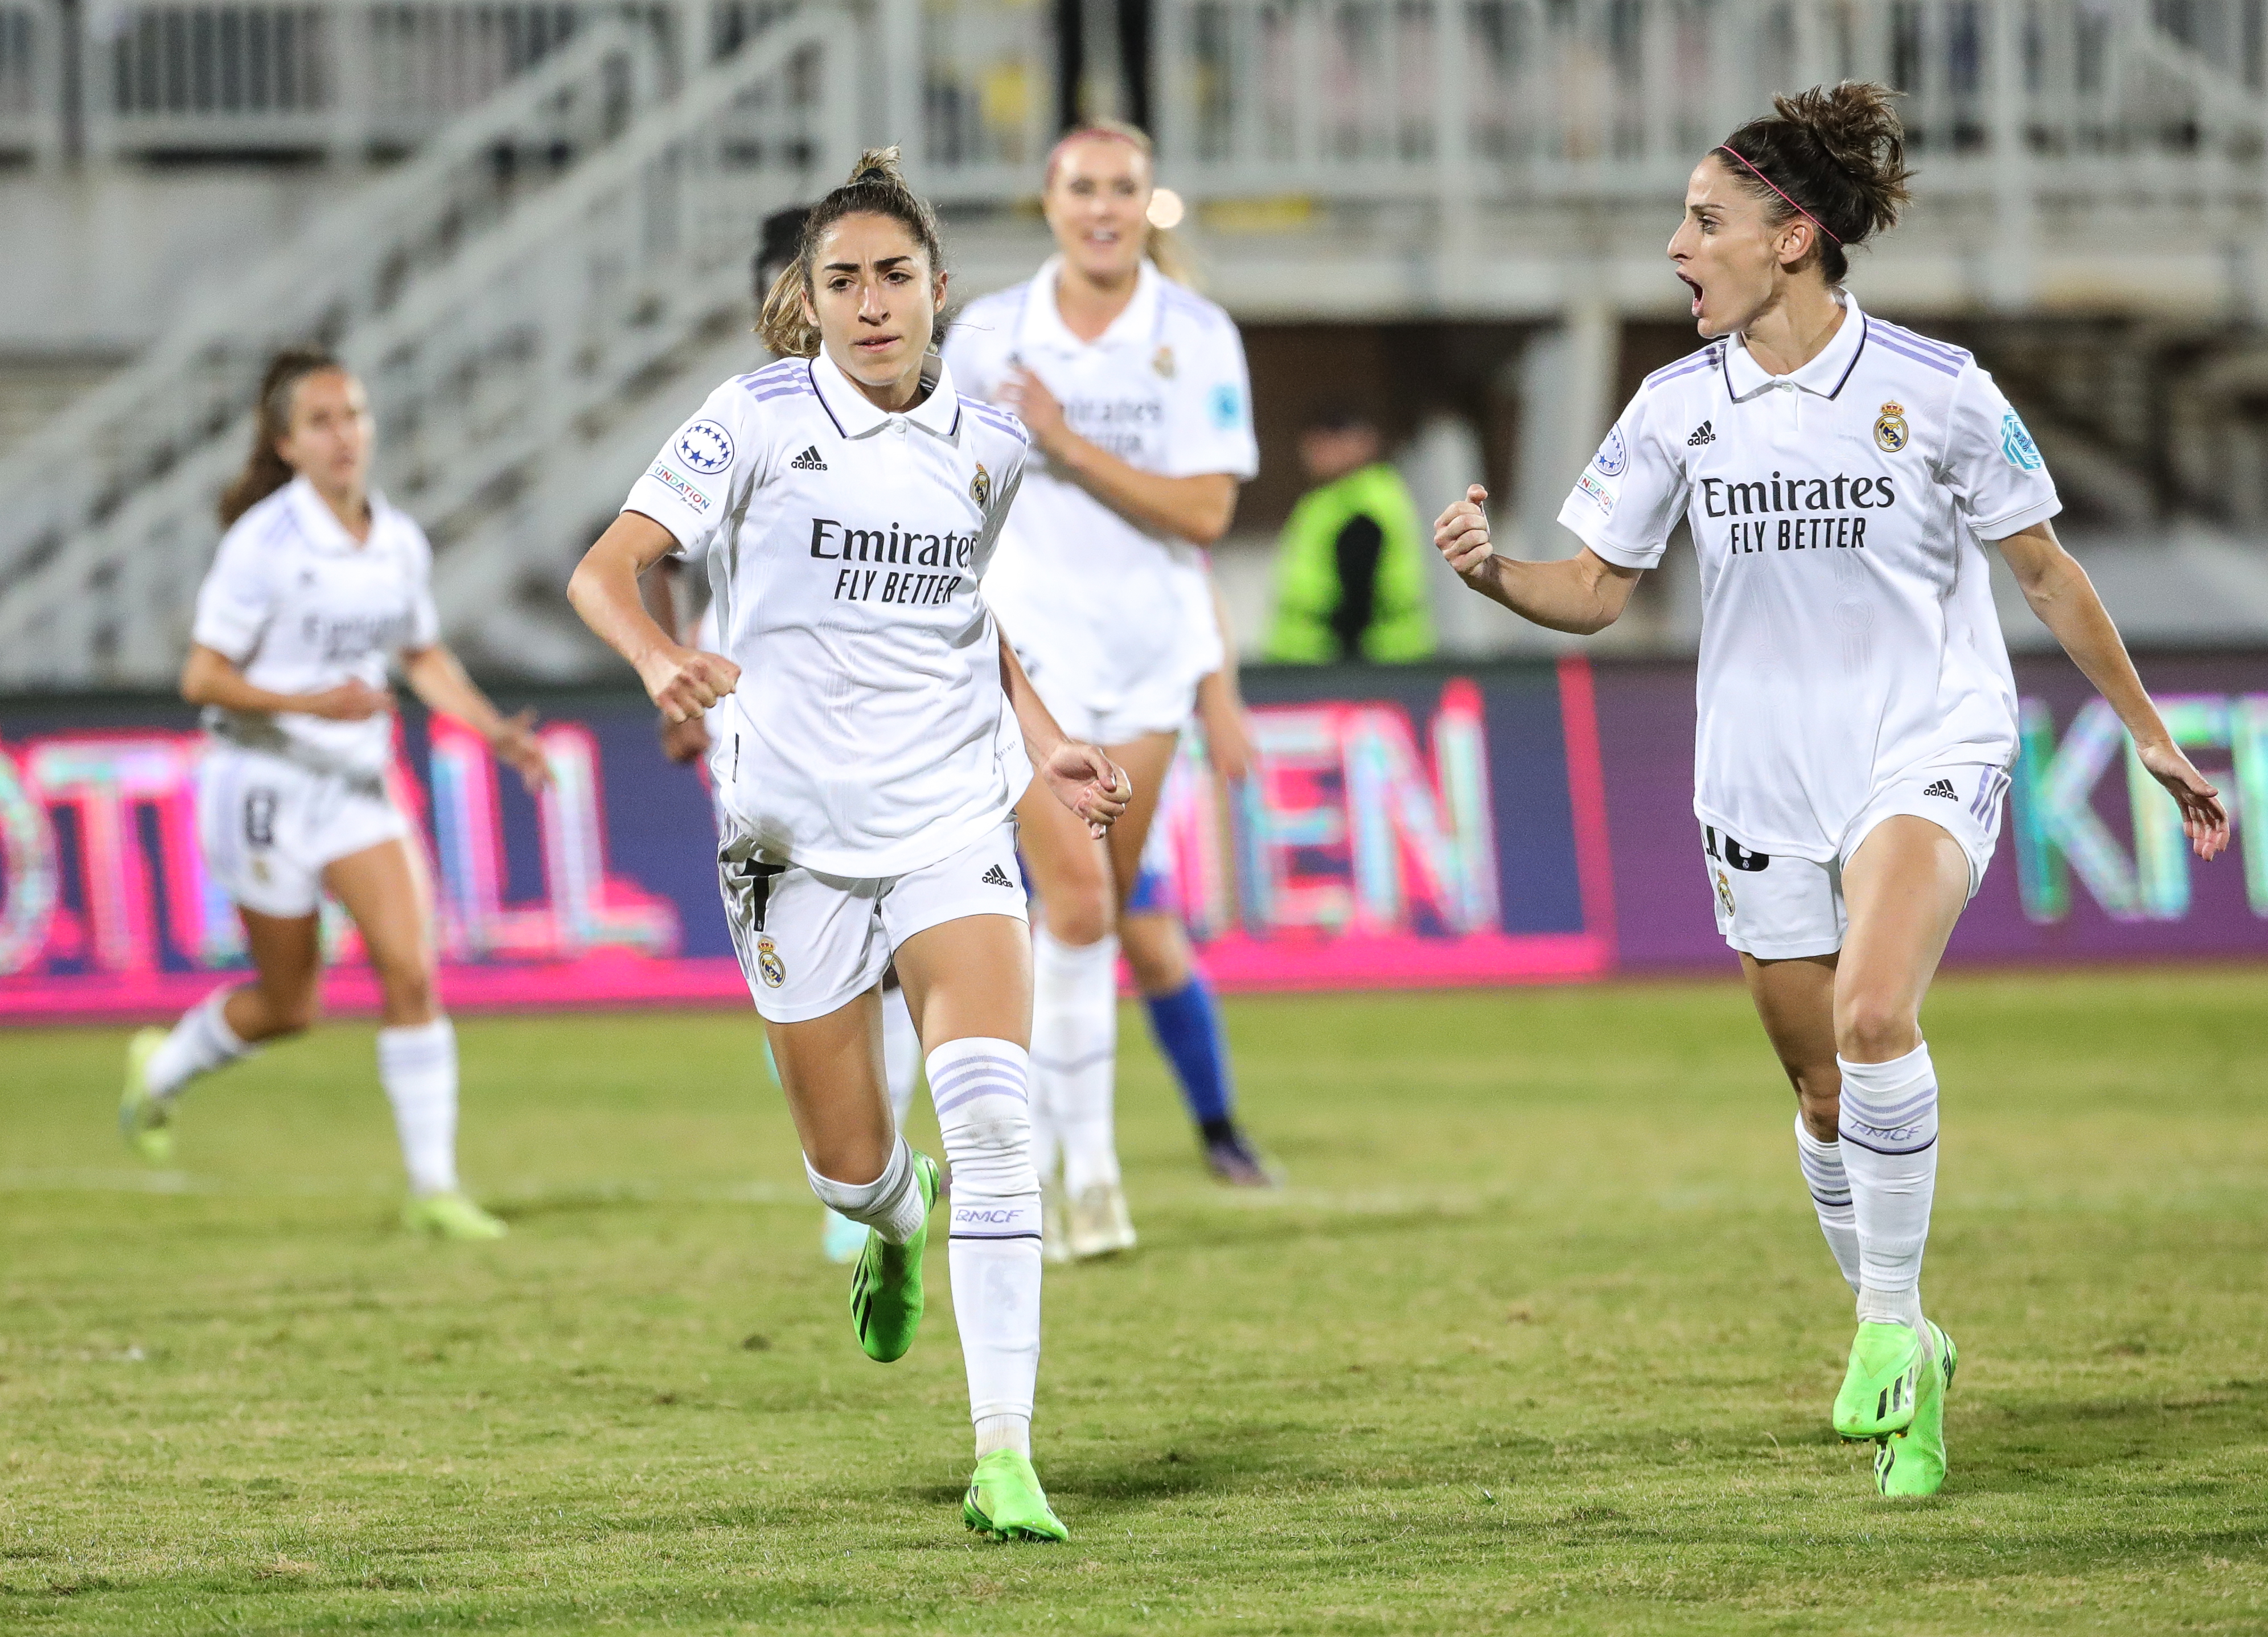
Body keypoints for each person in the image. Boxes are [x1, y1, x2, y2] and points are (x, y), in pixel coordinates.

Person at [1432, 83, 2229, 1499]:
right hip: (1756, 772)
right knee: (1819, 1092)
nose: (1678, 247)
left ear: (1791, 236)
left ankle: (1877, 1324)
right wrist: (1494, 570)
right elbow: (1599, 589)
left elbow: (2043, 569)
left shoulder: (1939, 388)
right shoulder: (1677, 406)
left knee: (1874, 1014)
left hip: (1927, 737)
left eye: (1704, 220)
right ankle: (1916, 1336)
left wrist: (2149, 731)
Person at [566, 149, 1129, 1541]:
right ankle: (892, 1214)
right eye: (842, 281)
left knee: (999, 1118)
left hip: (950, 818)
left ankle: (1005, 1453)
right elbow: (604, 567)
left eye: (892, 276)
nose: (871, 302)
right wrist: (656, 659)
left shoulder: (992, 446)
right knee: (848, 1166)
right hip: (790, 843)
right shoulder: (751, 419)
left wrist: (1044, 734)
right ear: (806, 301)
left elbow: (969, 611)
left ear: (938, 289)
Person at [117, 348, 549, 1241]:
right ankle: (159, 1070)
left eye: (352, 414)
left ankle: (434, 1186)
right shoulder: (263, 546)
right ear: (286, 445)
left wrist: (489, 726)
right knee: (290, 1005)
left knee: (412, 970)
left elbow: (419, 651)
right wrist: (309, 701)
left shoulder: (396, 539)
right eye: (320, 422)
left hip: (354, 782)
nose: (344, 434)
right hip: (262, 785)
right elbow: (203, 675)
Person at [942, 118, 1270, 1256]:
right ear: (1049, 198)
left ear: (1147, 202)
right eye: (1083, 187)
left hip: (1148, 663)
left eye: (1123, 189)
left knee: (1095, 913)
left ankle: (1041, 1155)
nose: (1103, 207)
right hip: (1029, 660)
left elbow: (1207, 513)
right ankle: (1089, 1178)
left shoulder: (1196, 336)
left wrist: (1069, 443)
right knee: (1078, 903)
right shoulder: (985, 335)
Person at [640, 203, 928, 1264]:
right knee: (802, 960)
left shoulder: (920, 416)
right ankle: (855, 1165)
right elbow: (657, 557)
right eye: (820, 283)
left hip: (890, 724)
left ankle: (876, 1169)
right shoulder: (742, 418)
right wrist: (668, 674)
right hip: (755, 719)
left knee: (893, 950)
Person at [1265, 405, 1436, 663]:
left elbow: (1357, 602)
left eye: (1326, 442)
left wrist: (1347, 673)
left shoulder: (1361, 506)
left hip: (1365, 667)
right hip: (1321, 665)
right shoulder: (1330, 500)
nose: (1314, 454)